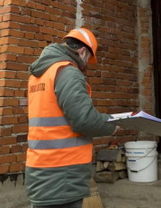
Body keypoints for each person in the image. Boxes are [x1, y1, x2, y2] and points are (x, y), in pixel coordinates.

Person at [26, 28, 118, 208]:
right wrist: (111, 124)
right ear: (82, 51)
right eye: (87, 60)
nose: (85, 66)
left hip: (40, 169)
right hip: (62, 174)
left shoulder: (40, 74)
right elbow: (83, 119)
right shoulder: (68, 72)